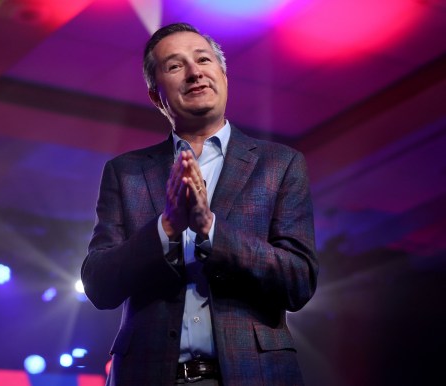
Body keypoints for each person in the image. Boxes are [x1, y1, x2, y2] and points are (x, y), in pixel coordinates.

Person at [81, 22, 318, 386]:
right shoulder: (125, 172)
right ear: (156, 96)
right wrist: (166, 229)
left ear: (223, 75)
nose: (194, 72)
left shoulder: (280, 164)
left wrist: (210, 228)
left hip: (254, 375)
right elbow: (98, 284)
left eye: (203, 60)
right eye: (175, 66)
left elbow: (298, 282)